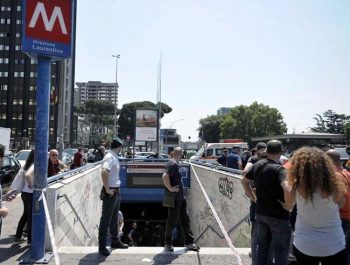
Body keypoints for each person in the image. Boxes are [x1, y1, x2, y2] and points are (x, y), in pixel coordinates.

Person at [288, 147, 347, 265]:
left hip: (304, 244)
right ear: (326, 166)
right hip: (333, 243)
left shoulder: (295, 186)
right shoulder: (334, 185)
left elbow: (289, 205)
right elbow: (341, 204)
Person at [241, 140, 292, 265]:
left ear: (267, 151)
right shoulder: (280, 170)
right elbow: (288, 188)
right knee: (280, 250)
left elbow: (243, 182)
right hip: (278, 216)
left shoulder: (258, 165)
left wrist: (254, 199)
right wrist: (289, 206)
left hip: (260, 213)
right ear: (281, 151)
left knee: (262, 249)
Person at [162, 147, 199, 252]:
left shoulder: (174, 163)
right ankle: (168, 243)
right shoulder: (172, 164)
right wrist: (171, 188)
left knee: (185, 219)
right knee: (172, 221)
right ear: (181, 154)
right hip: (175, 199)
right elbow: (165, 176)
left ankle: (189, 242)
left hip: (180, 198)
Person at [98, 137, 128, 256]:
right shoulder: (110, 157)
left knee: (115, 217)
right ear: (119, 147)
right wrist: (107, 189)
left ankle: (115, 241)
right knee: (106, 219)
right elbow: (104, 172)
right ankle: (102, 246)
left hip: (115, 190)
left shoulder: (112, 156)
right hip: (111, 191)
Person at [241, 142, 267, 265]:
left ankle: (254, 256)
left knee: (256, 230)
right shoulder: (279, 162)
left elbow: (245, 174)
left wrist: (252, 196)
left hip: (257, 201)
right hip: (273, 207)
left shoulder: (253, 160)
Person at [326, 149, 350, 262]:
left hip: (342, 218)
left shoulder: (334, 177)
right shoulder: (346, 173)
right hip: (348, 217)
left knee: (339, 252)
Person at [15, 149, 35, 244]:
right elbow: (27, 175)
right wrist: (32, 186)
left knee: (25, 215)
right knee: (30, 217)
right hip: (30, 194)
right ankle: (30, 240)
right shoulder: (34, 165)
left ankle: (18, 236)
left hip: (24, 193)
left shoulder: (26, 164)